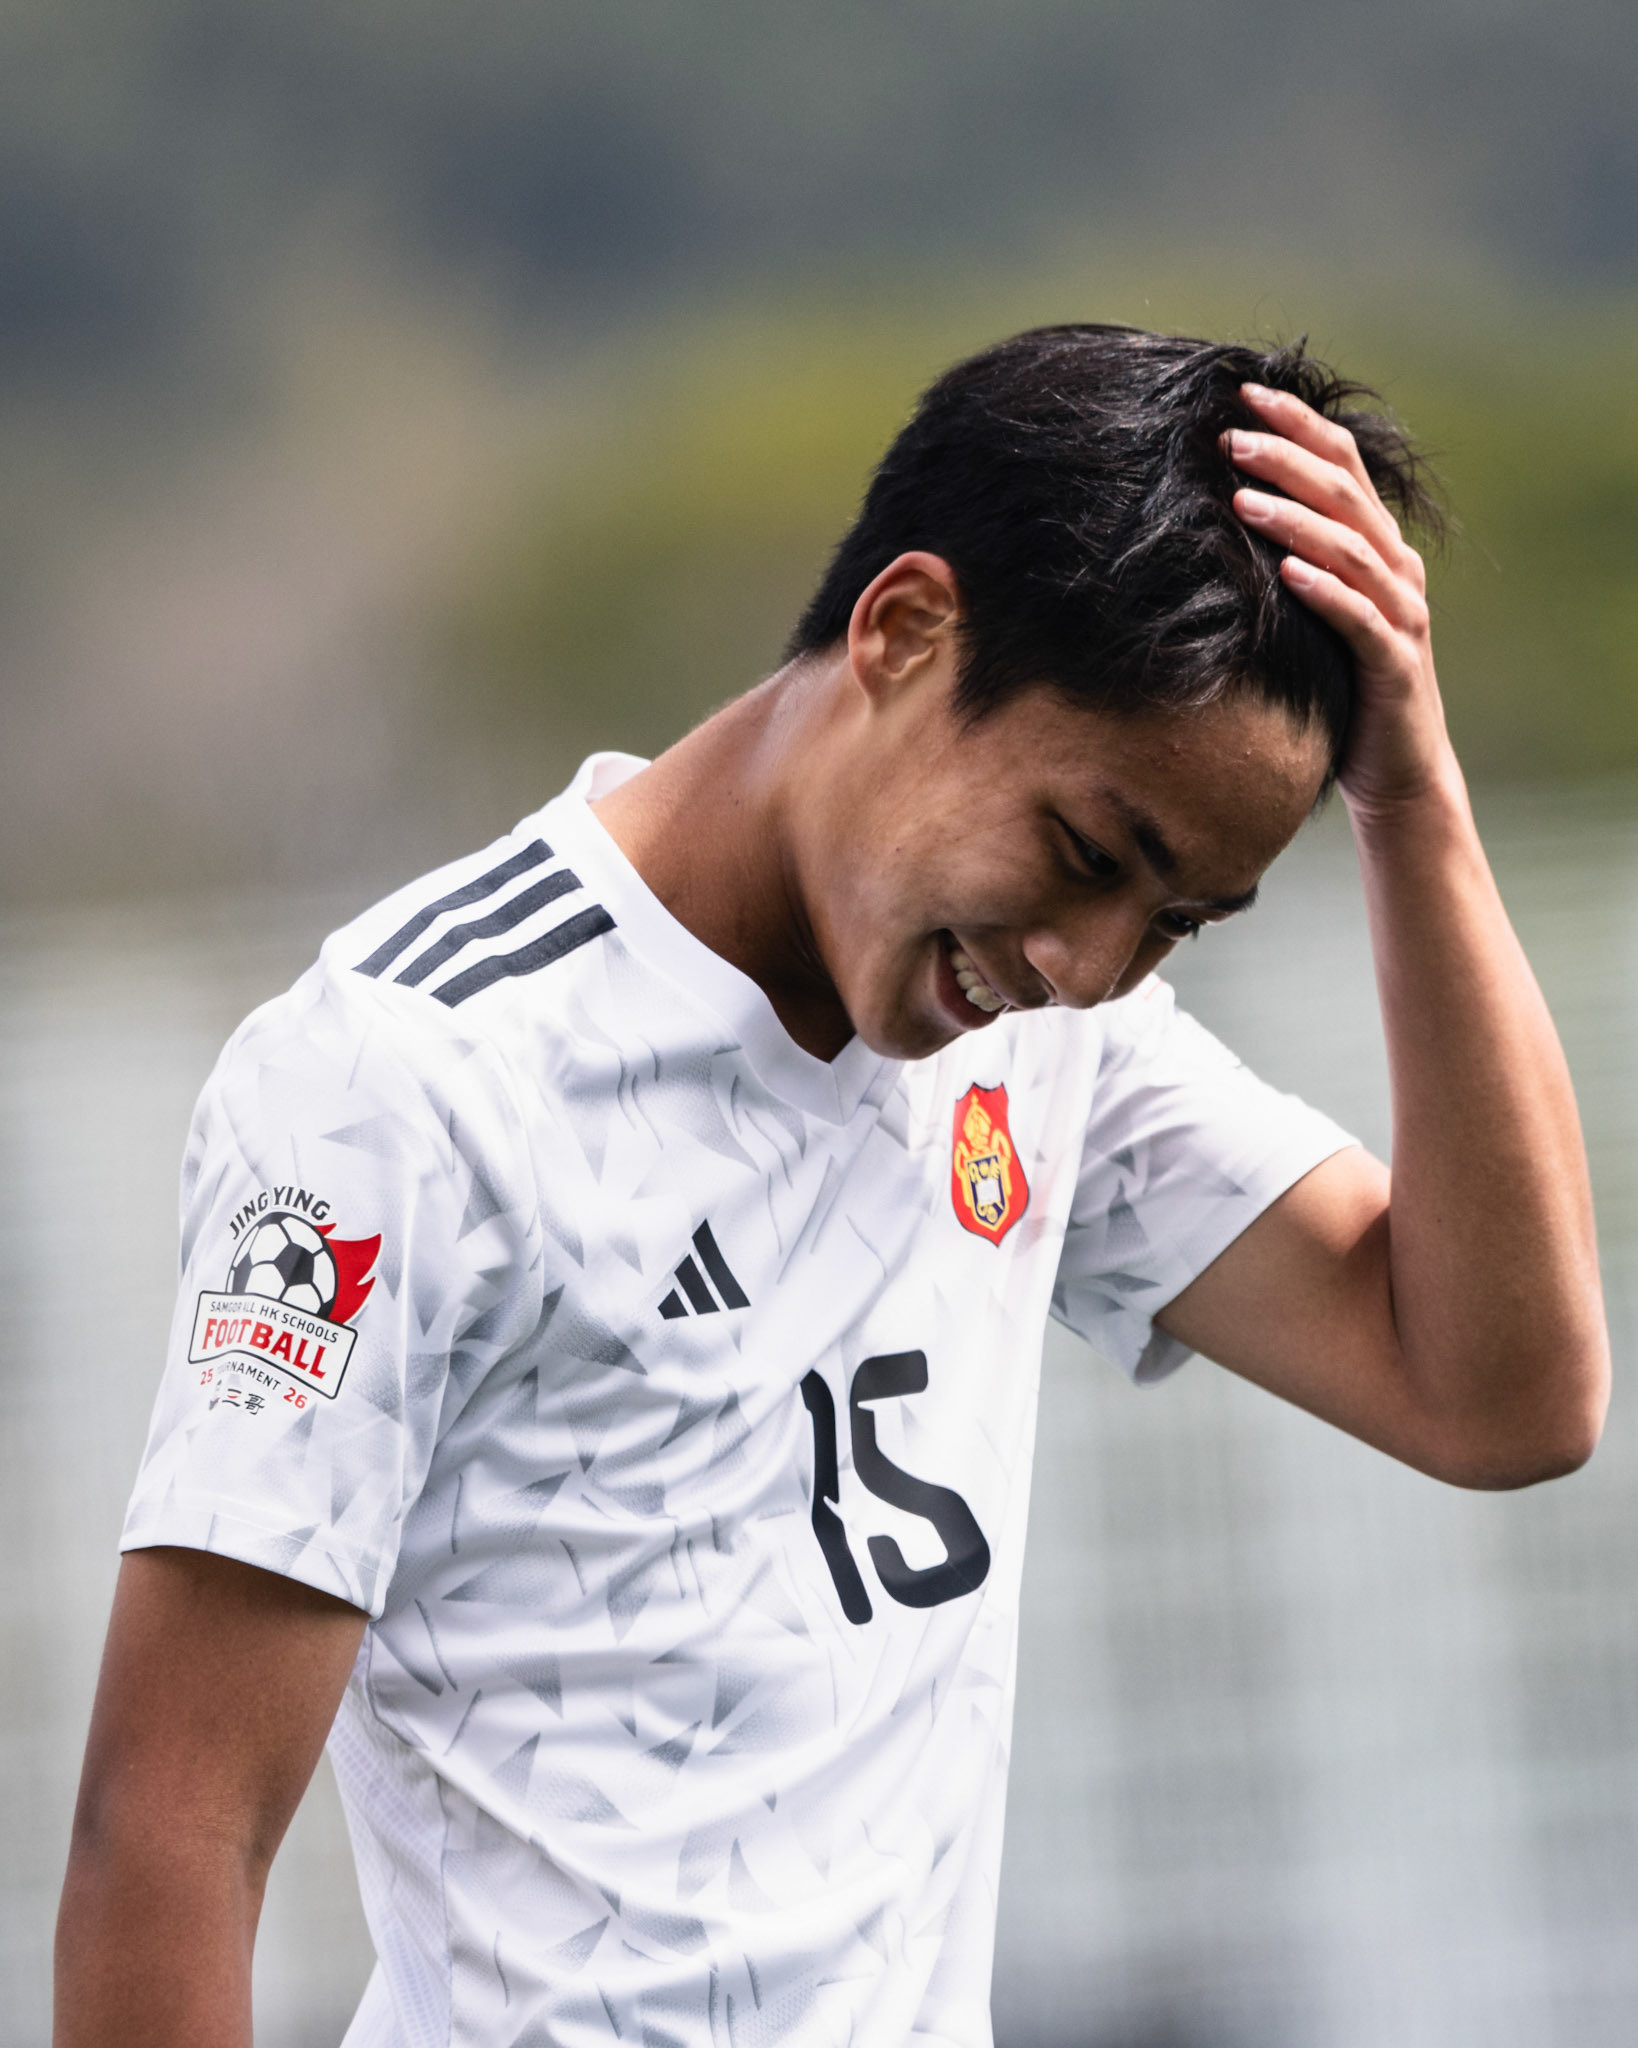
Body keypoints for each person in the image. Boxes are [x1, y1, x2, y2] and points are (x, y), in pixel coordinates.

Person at [55, 325, 1607, 2048]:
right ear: (901, 630)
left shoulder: (1036, 1030)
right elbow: (170, 1839)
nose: (1088, 964)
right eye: (1090, 855)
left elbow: (1503, 1394)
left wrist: (1418, 809)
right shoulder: (406, 1075)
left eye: (1172, 920)